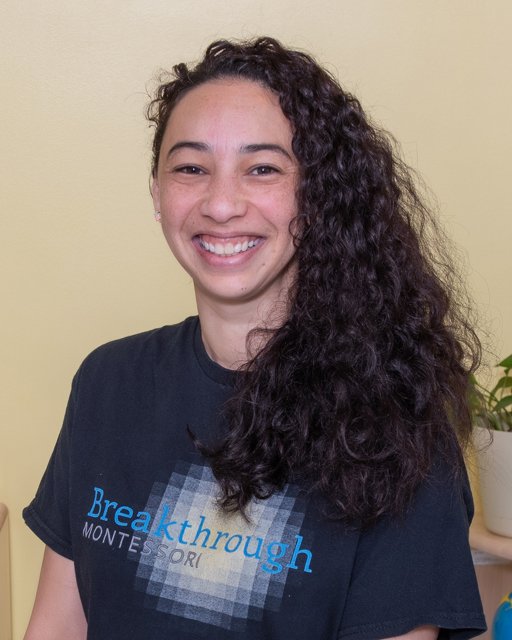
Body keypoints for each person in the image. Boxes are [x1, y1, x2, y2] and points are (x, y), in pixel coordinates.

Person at [23, 37, 486, 639]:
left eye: (262, 168)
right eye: (191, 168)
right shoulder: (107, 382)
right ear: (157, 193)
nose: (221, 204)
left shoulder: (398, 424)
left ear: (318, 195)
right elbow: (56, 626)